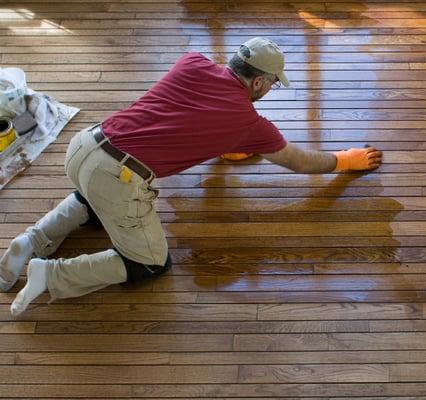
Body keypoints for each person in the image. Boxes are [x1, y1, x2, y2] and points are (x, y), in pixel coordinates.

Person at [0, 37, 383, 316]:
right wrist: (345, 160)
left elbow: (186, 114)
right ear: (260, 82)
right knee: (149, 263)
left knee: (93, 199)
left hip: (85, 146)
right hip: (117, 176)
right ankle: (49, 274)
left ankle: (31, 240)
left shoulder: (191, 62)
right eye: (271, 84)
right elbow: (299, 162)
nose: (269, 90)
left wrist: (227, 143)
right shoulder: (249, 122)